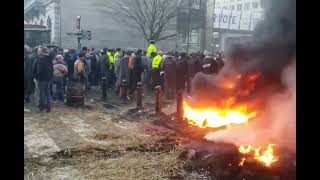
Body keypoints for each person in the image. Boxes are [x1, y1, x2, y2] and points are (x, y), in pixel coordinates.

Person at [33, 47, 53, 112]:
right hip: (48, 78)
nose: (38, 52)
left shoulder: (40, 59)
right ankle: (48, 108)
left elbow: (38, 70)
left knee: (42, 93)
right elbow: (52, 69)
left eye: (39, 51)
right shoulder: (49, 59)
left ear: (42, 51)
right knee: (47, 93)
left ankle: (41, 108)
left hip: (41, 79)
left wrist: (36, 77)